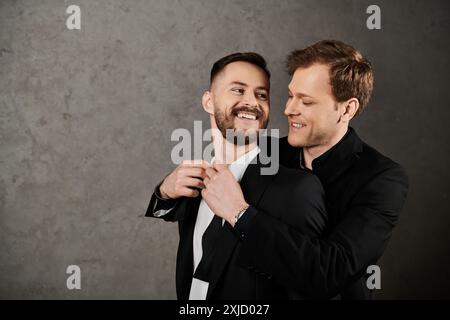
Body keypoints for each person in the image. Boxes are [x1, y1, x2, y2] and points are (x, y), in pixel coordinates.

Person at [203, 40, 409, 299]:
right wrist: (165, 191)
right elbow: (211, 195)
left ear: (347, 109)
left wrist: (240, 214)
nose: (289, 110)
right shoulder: (266, 154)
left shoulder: (382, 179)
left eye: (307, 102)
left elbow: (332, 270)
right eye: (291, 96)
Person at [145, 52, 327, 299]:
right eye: (238, 90)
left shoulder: (297, 188)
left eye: (261, 94)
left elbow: (312, 278)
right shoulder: (194, 181)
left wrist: (239, 213)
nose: (252, 102)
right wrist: (164, 191)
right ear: (208, 102)